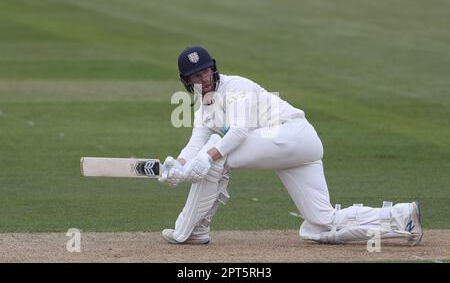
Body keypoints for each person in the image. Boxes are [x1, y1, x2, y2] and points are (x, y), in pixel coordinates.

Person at [158, 46, 423, 246]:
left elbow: (238, 132)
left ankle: (192, 230)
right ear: (186, 81)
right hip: (295, 149)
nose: (203, 79)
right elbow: (195, 143)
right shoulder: (204, 108)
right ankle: (402, 217)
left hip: (291, 133)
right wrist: (177, 165)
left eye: (205, 71)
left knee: (216, 155)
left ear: (213, 68)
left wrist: (206, 158)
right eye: (195, 75)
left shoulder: (236, 86)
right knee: (320, 224)